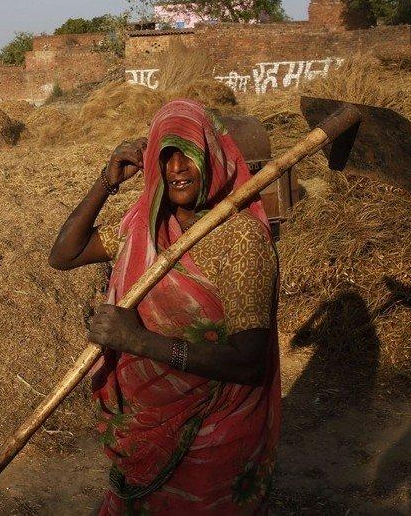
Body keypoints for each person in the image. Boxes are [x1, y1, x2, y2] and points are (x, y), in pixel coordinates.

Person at [48, 99, 280, 514]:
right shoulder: (147, 229)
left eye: (188, 153)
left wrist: (137, 341)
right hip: (143, 430)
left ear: (212, 157)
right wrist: (106, 181)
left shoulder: (240, 240)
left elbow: (250, 363)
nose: (178, 167)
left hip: (210, 430)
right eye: (166, 154)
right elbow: (65, 254)